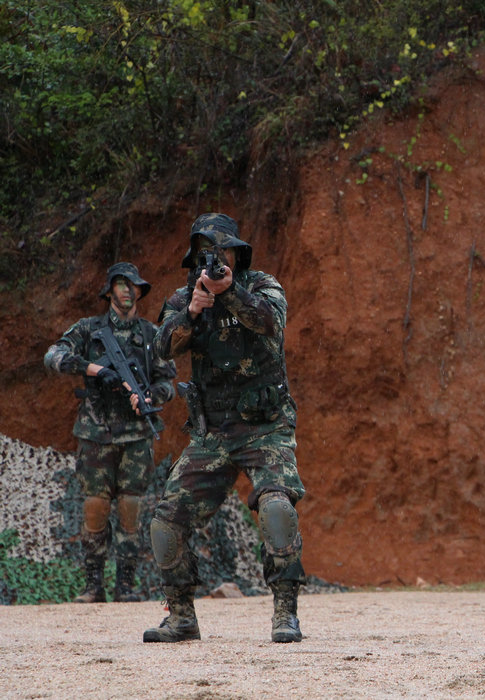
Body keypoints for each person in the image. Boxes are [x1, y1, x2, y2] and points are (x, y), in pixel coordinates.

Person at [143, 213, 307, 644]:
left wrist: (228, 291)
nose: (212, 262)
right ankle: (180, 616)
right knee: (165, 523)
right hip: (212, 432)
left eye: (220, 253)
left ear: (237, 253)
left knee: (276, 509)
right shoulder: (184, 298)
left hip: (265, 427)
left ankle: (285, 613)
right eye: (204, 256)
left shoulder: (263, 286)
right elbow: (160, 348)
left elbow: (269, 324)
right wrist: (193, 312)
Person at [43, 262, 176, 603]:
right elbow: (54, 356)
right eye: (121, 284)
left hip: (135, 435)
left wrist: (149, 397)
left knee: (131, 510)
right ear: (109, 290)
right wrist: (94, 369)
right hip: (96, 432)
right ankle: (92, 586)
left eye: (133, 285)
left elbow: (168, 382)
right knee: (95, 508)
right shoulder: (89, 330)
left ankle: (126, 586)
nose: (128, 290)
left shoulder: (149, 334)